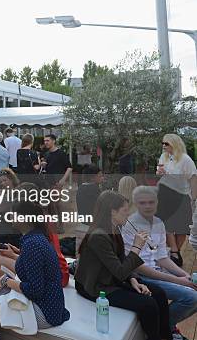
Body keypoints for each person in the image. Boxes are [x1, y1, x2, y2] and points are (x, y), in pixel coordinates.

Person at [75, 191, 172, 340]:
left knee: (159, 293)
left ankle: (166, 337)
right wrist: (136, 247)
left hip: (110, 277)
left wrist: (133, 279)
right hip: (95, 286)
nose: (128, 214)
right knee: (148, 304)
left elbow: (119, 261)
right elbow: (119, 271)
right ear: (113, 212)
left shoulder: (114, 229)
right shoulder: (99, 236)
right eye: (125, 211)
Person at [0, 199, 70, 340]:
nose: (10, 216)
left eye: (13, 214)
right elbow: (31, 267)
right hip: (45, 303)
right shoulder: (35, 238)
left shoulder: (33, 244)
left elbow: (35, 290)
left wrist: (7, 282)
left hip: (44, 311)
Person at [121, 186, 197, 340]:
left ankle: (163, 326)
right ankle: (164, 328)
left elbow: (162, 258)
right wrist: (177, 280)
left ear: (157, 203)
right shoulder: (129, 225)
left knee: (193, 285)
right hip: (140, 277)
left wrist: (185, 275)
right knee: (192, 297)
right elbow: (135, 265)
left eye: (151, 202)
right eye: (142, 203)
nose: (148, 206)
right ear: (136, 203)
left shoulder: (159, 223)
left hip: (157, 271)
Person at [0, 182, 70, 288]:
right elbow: (41, 254)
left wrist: (13, 255)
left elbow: (42, 260)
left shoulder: (40, 224)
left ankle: (8, 294)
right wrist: (18, 252)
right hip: (55, 270)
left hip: (56, 275)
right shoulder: (41, 219)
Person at [156, 134, 197, 267]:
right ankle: (174, 251)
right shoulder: (164, 157)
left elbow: (193, 179)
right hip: (165, 194)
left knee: (181, 228)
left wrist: (194, 199)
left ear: (175, 144)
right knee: (165, 225)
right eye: (163, 143)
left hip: (181, 195)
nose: (163, 146)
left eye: (166, 143)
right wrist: (160, 172)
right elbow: (159, 171)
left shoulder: (185, 159)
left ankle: (176, 253)